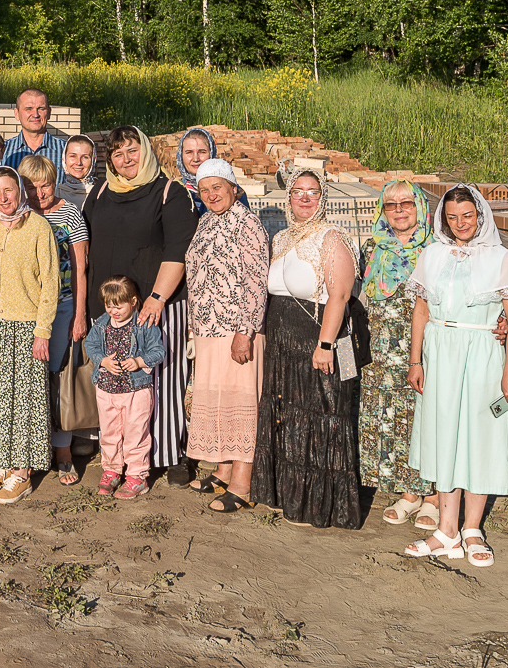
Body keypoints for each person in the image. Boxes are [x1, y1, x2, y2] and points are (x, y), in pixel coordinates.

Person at [404, 185, 508, 566]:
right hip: (440, 352)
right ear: (443, 218)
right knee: (444, 434)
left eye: (467, 215)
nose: (460, 224)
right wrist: (416, 361)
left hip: (481, 354)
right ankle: (446, 530)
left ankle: (472, 528)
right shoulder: (432, 255)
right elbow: (421, 312)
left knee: (480, 435)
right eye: (452, 217)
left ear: (480, 215)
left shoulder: (502, 259)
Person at [83, 126, 198, 487]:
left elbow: (178, 249)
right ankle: (118, 459)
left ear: (145, 151)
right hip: (110, 311)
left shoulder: (169, 193)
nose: (125, 159)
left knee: (158, 381)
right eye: (117, 154)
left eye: (132, 151)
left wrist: (158, 297)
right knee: (117, 384)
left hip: (154, 307)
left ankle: (167, 454)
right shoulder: (100, 192)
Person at [250, 167, 364, 529]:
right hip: (283, 345)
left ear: (323, 197)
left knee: (323, 418)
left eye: (312, 191)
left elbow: (340, 296)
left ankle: (320, 506)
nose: (303, 197)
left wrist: (325, 345)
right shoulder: (281, 238)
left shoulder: (333, 237)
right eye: (297, 190)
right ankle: (288, 495)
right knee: (290, 419)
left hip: (319, 340)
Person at [183, 160, 269, 513]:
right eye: (204, 190)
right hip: (207, 329)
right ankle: (222, 470)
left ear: (234, 188)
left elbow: (255, 279)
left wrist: (245, 332)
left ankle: (242, 484)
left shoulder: (247, 223)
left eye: (217, 187)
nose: (211, 195)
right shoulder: (206, 221)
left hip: (236, 330)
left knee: (240, 402)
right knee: (217, 400)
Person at [357, 180, 441, 530]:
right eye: (391, 205)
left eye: (407, 202)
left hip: (427, 348)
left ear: (420, 207)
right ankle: (409, 493)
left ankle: (434, 496)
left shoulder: (437, 249)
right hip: (382, 349)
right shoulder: (373, 247)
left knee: (428, 417)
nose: (400, 209)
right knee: (394, 419)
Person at [0, 167, 58, 505]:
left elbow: (51, 282)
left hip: (26, 323)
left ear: (19, 191)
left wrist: (43, 331)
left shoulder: (38, 226)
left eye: (8, 191)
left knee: (24, 398)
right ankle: (4, 463)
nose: (3, 198)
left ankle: (22, 471)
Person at [19, 155, 90, 482]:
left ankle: (62, 452)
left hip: (62, 306)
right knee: (29, 381)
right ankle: (32, 450)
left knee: (58, 377)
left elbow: (80, 267)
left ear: (53, 182)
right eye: (31, 187)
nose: (38, 193)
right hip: (26, 308)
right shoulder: (19, 215)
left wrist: (79, 314)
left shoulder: (69, 213)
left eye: (44, 185)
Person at [83, 276, 165, 500]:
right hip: (106, 388)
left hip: (136, 390)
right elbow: (89, 345)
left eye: (119, 306)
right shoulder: (101, 324)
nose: (113, 311)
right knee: (109, 432)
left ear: (134, 301)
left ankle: (137, 476)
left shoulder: (144, 324)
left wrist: (139, 362)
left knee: (135, 433)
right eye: (109, 305)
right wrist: (102, 361)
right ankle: (111, 470)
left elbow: (159, 352)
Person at [2, 89, 68, 183]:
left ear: (49, 113)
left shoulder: (66, 150)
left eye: (41, 109)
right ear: (16, 114)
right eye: (28, 109)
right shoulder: (3, 151)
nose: (35, 114)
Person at [176, 127, 219, 215]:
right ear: (181, 156)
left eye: (202, 152)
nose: (196, 159)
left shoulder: (230, 192)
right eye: (189, 152)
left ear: (211, 153)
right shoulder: (174, 192)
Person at [58, 135, 98, 211]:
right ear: (64, 158)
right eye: (73, 156)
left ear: (93, 160)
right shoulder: (54, 194)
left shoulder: (100, 194)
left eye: (85, 157)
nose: (78, 162)